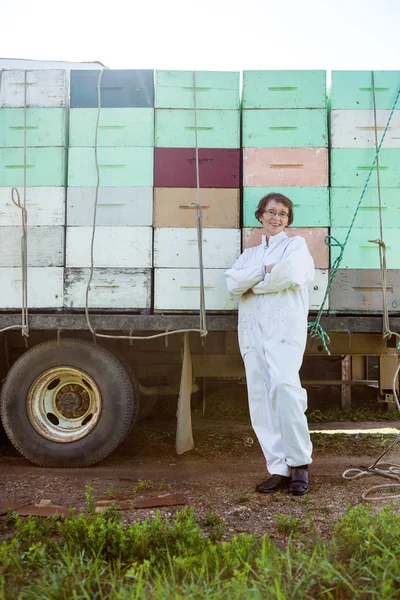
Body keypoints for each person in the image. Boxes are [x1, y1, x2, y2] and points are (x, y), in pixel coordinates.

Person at [225, 192, 315, 495]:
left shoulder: (296, 246)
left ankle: (300, 464)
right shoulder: (250, 253)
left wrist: (253, 283)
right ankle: (278, 468)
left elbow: (289, 275)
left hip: (284, 330)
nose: (277, 218)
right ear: (260, 216)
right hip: (253, 332)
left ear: (288, 220)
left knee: (285, 389)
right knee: (261, 398)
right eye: (271, 212)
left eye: (283, 214)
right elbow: (231, 284)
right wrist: (263, 272)